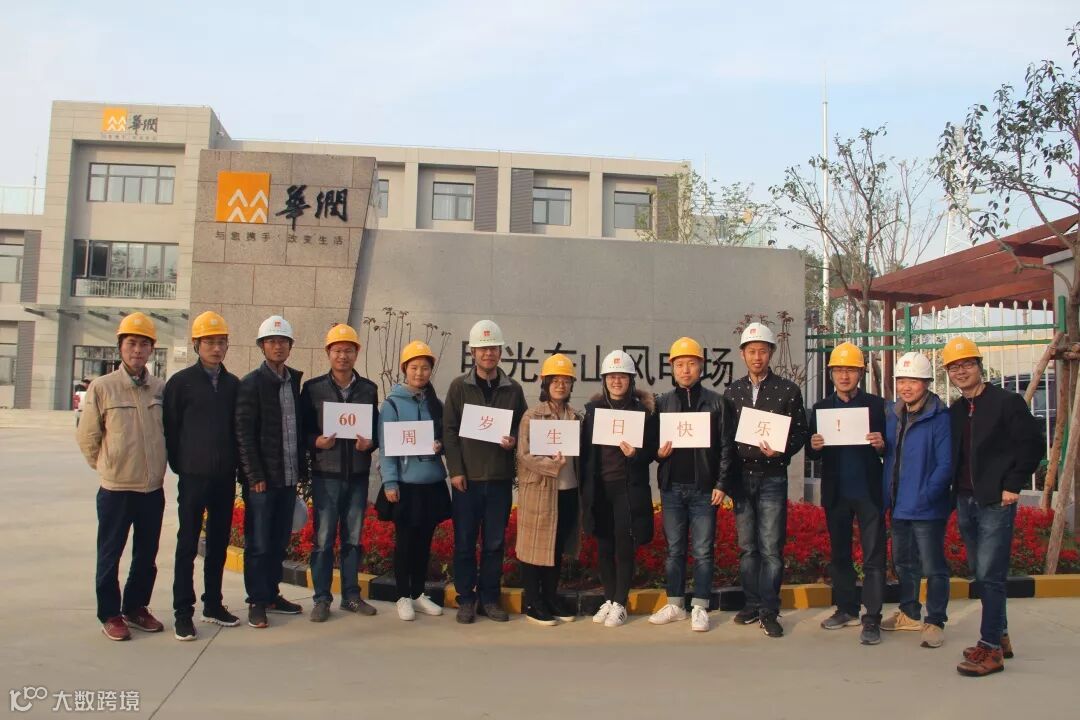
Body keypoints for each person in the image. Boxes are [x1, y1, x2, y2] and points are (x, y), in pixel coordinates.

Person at [944, 337, 1043, 676]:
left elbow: (1032, 444)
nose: (961, 371)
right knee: (980, 571)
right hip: (966, 499)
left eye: (966, 364)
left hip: (996, 500)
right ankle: (1000, 636)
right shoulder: (957, 410)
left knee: (991, 574)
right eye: (954, 367)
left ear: (979, 366)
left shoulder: (1006, 402)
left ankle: (990, 649)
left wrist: (1013, 484)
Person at [77, 312, 168, 641]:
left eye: (144, 344)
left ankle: (135, 607)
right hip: (116, 490)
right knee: (110, 554)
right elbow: (87, 437)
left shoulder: (160, 388)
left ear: (151, 349)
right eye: (131, 343)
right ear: (120, 347)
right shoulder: (103, 388)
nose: (137, 350)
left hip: (151, 489)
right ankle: (110, 614)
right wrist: (108, 466)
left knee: (146, 555)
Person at [724, 322, 809, 638]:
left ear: (770, 353)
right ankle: (752, 604)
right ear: (742, 354)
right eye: (751, 351)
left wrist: (781, 450)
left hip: (772, 476)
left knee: (771, 547)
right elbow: (725, 437)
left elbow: (800, 431)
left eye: (762, 351)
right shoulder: (732, 392)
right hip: (742, 477)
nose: (757, 357)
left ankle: (770, 610)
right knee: (747, 547)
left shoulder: (788, 390)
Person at [442, 319, 528, 624]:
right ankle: (466, 599)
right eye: (482, 348)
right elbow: (449, 430)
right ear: (473, 353)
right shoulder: (459, 387)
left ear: (500, 352)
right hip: (467, 481)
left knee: (494, 544)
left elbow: (523, 425)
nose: (488, 353)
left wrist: (514, 439)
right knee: (465, 543)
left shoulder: (513, 389)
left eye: (493, 348)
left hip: (499, 479)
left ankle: (490, 599)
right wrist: (455, 470)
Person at [649, 337, 737, 633]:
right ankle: (675, 604)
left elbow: (726, 446)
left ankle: (700, 605)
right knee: (674, 550)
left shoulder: (717, 402)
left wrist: (721, 483)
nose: (685, 370)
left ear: (701, 366)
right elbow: (651, 444)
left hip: (704, 489)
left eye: (691, 363)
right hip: (672, 487)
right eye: (679, 364)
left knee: (702, 550)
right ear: (672, 368)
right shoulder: (662, 403)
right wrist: (658, 453)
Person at [164, 311, 241, 641]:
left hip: (224, 477)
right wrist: (183, 465)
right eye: (209, 342)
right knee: (187, 544)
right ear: (196, 344)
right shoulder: (180, 383)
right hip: (193, 477)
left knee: (219, 543)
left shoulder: (233, 385)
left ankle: (213, 604)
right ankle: (183, 611)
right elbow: (170, 429)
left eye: (221, 342)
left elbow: (238, 431)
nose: (216, 348)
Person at [806, 342, 887, 645]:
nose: (844, 376)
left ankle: (872, 618)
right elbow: (813, 454)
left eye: (850, 370)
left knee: (873, 556)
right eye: (838, 370)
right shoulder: (821, 409)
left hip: (868, 491)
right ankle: (846, 608)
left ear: (860, 373)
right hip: (836, 492)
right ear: (830, 374)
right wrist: (814, 446)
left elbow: (890, 448)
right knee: (840, 554)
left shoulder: (876, 406)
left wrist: (882, 445)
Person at [299, 323, 379, 623]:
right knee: (323, 539)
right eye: (337, 350)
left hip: (357, 475)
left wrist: (370, 443)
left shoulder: (368, 389)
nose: (343, 356)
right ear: (328, 353)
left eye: (348, 350)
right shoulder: (313, 389)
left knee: (353, 539)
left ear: (356, 353)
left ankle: (351, 596)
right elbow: (303, 431)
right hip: (326, 475)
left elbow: (375, 430)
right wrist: (315, 442)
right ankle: (321, 598)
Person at [235, 315, 305, 629]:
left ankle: (272, 594)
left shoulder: (294, 383)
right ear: (262, 346)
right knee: (259, 543)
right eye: (272, 341)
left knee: (278, 541)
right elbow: (243, 434)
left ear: (290, 346)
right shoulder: (251, 384)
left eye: (283, 341)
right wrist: (254, 476)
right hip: (262, 482)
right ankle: (256, 601)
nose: (278, 346)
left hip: (288, 477)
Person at [580, 350, 658, 628]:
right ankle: (609, 599)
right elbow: (585, 451)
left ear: (631, 380)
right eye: (611, 376)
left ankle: (621, 603)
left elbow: (651, 451)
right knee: (604, 545)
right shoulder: (593, 412)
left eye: (622, 376)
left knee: (624, 546)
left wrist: (636, 453)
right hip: (600, 488)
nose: (616, 381)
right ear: (604, 380)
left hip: (628, 489)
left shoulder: (643, 413)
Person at [881, 351, 953, 649]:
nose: (906, 387)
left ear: (926, 383)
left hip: (926, 507)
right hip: (899, 503)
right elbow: (890, 454)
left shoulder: (939, 417)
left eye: (913, 381)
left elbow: (945, 464)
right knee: (904, 562)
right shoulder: (893, 414)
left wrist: (928, 495)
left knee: (933, 566)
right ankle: (909, 613)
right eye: (902, 381)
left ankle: (935, 620)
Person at [377, 340, 451, 622]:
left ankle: (419, 593)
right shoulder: (392, 405)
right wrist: (390, 482)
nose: (420, 373)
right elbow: (387, 447)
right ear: (405, 369)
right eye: (414, 367)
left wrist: (440, 445)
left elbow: (446, 438)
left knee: (424, 543)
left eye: (425, 368)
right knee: (405, 544)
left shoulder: (435, 404)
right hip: (406, 485)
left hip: (431, 483)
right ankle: (402, 596)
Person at [515, 354, 583, 626]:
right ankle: (534, 601)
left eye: (566, 381)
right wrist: (552, 465)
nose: (560, 385)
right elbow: (524, 454)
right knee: (534, 547)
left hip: (568, 490)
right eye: (555, 380)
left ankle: (551, 597)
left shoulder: (575, 417)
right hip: (541, 490)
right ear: (545, 383)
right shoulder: (532, 416)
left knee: (556, 547)